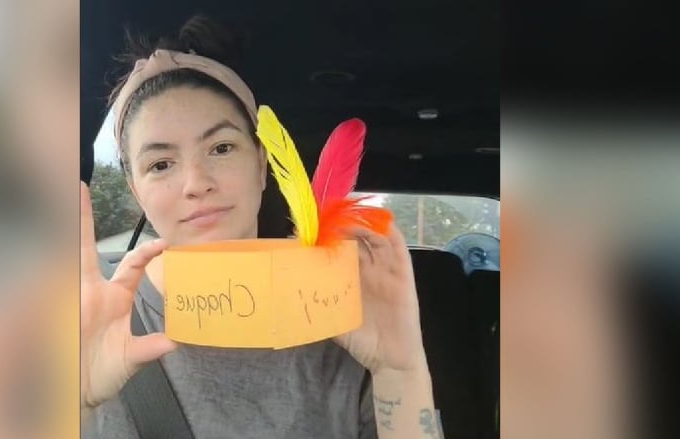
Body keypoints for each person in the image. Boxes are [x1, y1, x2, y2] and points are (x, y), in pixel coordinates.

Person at [81, 16, 438, 439]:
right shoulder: (95, 317)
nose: (196, 183)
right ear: (137, 192)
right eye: (160, 164)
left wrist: (401, 369)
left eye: (221, 147)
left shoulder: (344, 315)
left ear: (262, 165)